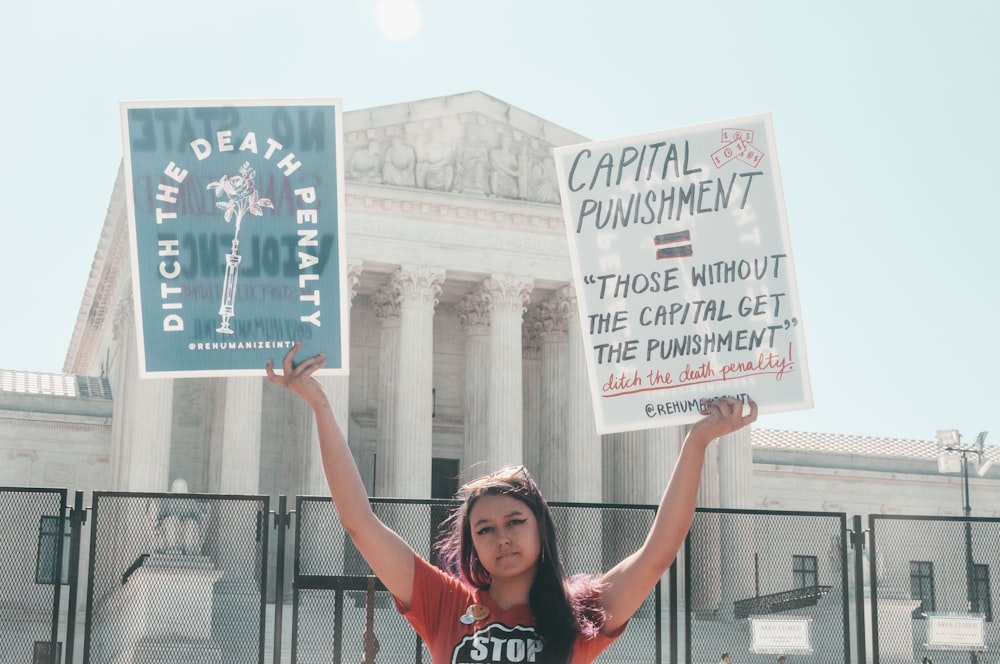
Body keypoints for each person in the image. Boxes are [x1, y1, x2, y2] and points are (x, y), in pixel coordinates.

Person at [267, 343, 757, 663]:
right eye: (484, 529)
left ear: (540, 528)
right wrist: (321, 406)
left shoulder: (580, 613)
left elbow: (658, 552)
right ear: (470, 546)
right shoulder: (445, 604)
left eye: (515, 521)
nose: (501, 537)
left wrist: (696, 443)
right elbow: (358, 522)